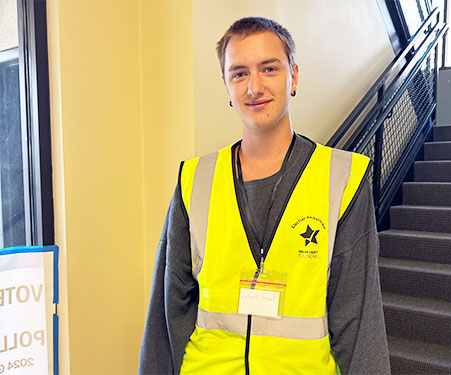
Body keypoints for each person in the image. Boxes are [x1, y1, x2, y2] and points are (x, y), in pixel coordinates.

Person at [139, 17, 390, 375]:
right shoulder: (195, 180)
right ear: (226, 86)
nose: (253, 87)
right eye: (239, 73)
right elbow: (167, 310)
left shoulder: (342, 179)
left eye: (269, 68)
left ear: (294, 76)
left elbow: (358, 317)